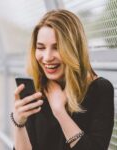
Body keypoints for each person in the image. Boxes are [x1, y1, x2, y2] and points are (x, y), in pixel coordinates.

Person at [11, 9, 114, 150]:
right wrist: (19, 123)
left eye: (57, 47)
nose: (47, 57)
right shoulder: (36, 90)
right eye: (41, 47)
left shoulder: (100, 89)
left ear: (73, 49)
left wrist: (59, 111)